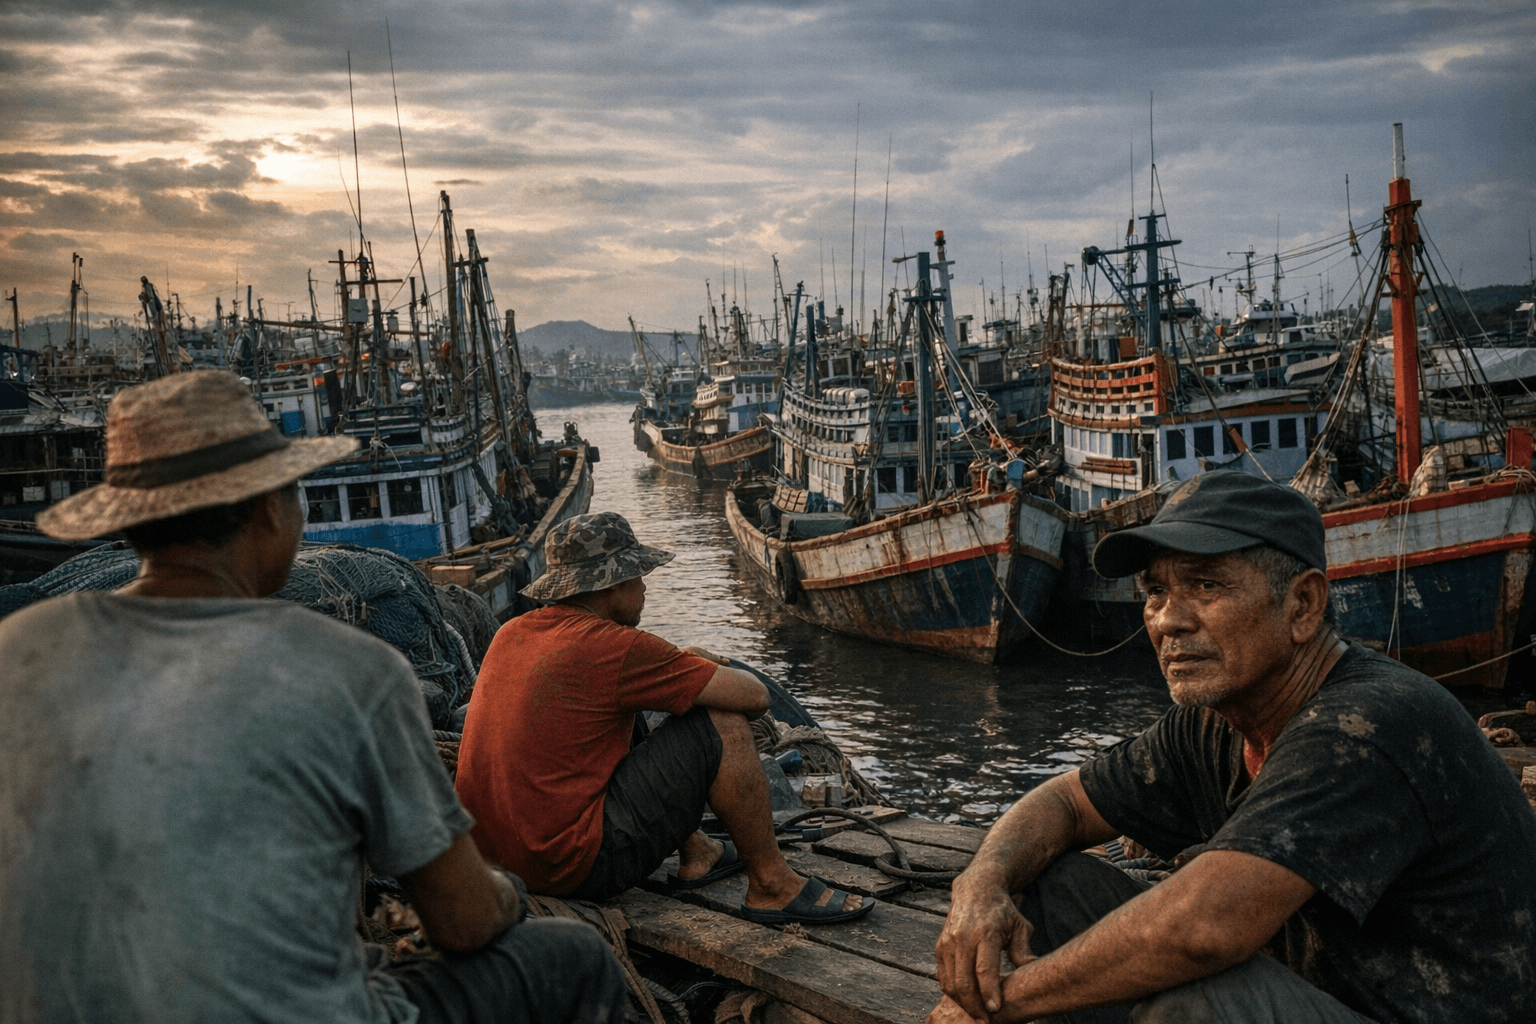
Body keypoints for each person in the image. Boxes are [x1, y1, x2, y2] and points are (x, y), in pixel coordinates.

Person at [0, 370, 625, 1024]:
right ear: (272, 508)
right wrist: (509, 894)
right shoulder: (350, 669)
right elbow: (464, 922)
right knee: (573, 955)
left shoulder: (17, 648)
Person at [930, 471, 1536, 1024]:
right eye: (1155, 591)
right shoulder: (1219, 718)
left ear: (1302, 605)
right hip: (1322, 995)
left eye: (1206, 585)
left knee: (1194, 1007)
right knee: (1048, 887)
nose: (1168, 620)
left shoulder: (1367, 725)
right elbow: (1066, 802)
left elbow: (1204, 930)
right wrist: (980, 882)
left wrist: (1001, 1004)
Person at [455, 511, 874, 925]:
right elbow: (756, 697)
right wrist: (707, 661)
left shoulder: (511, 633)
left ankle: (698, 850)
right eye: (638, 577)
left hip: (491, 863)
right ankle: (772, 884)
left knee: (625, 717)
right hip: (569, 869)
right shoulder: (615, 647)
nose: (643, 588)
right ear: (612, 583)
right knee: (721, 721)